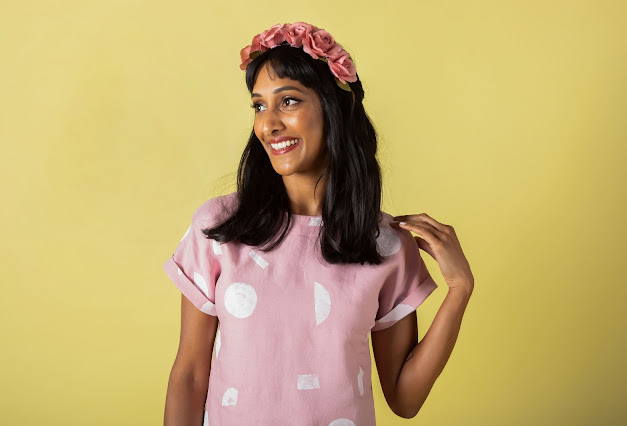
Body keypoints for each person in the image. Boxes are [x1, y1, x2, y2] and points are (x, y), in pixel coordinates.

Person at [163, 22, 474, 426]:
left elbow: (405, 399)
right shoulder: (220, 229)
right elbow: (189, 375)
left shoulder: (385, 244)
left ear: (333, 108)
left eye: (288, 101)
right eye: (259, 106)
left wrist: (459, 289)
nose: (268, 124)